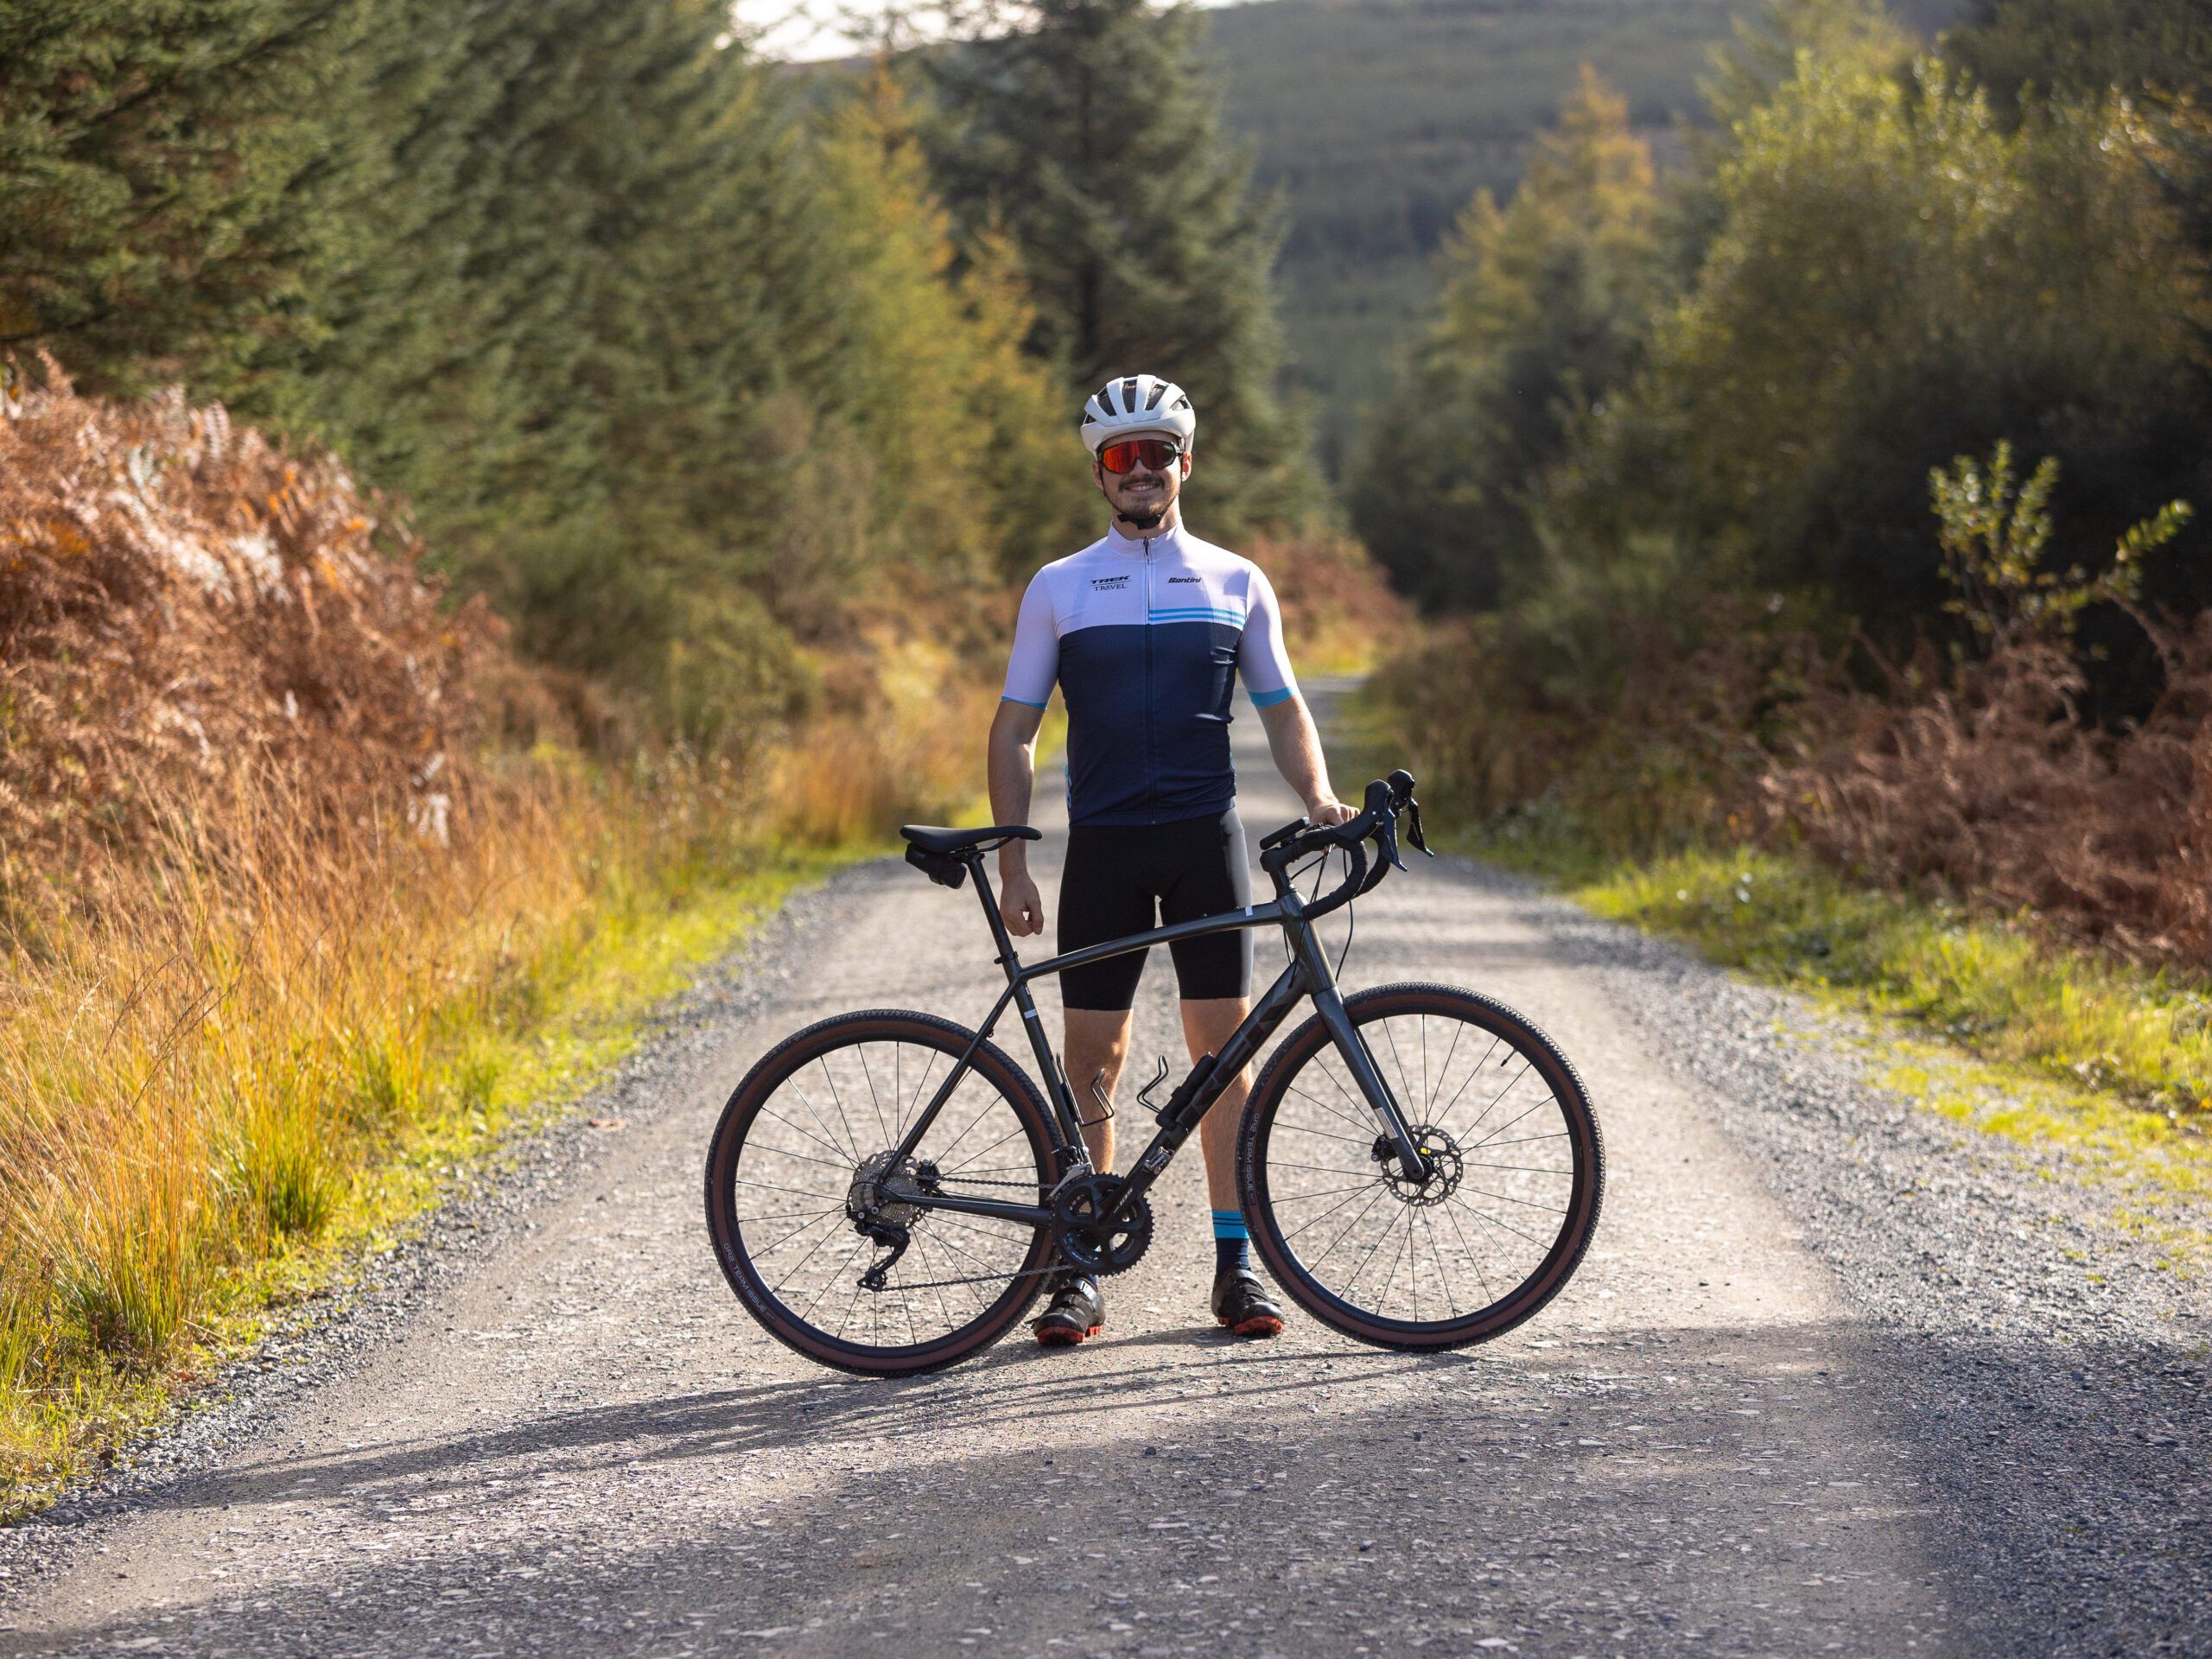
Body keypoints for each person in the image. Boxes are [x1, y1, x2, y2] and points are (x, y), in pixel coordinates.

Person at [988, 373, 1357, 1347]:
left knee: (1222, 1056)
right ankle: (1080, 1264)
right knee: (1093, 1059)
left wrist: (1318, 798)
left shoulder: (1237, 580)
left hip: (1204, 841)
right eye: (1122, 456)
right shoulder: (1058, 587)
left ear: (1185, 465)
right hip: (1103, 846)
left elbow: (1282, 708)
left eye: (1158, 454)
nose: (1141, 470)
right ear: (1099, 473)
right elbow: (1016, 728)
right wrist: (1017, 859)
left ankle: (1236, 1265)